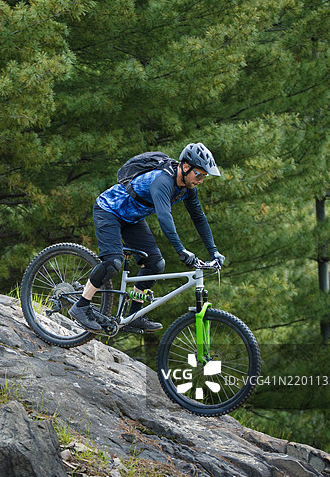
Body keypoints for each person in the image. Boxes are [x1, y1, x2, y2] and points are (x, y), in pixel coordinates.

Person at [69, 142, 226, 333]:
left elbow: (199, 218)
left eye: (204, 176)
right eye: (199, 175)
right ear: (185, 167)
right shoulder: (163, 181)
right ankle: (81, 305)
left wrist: (214, 251)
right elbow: (164, 217)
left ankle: (134, 316)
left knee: (155, 264)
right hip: (109, 210)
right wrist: (181, 250)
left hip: (132, 219)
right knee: (113, 263)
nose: (200, 180)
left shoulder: (187, 188)